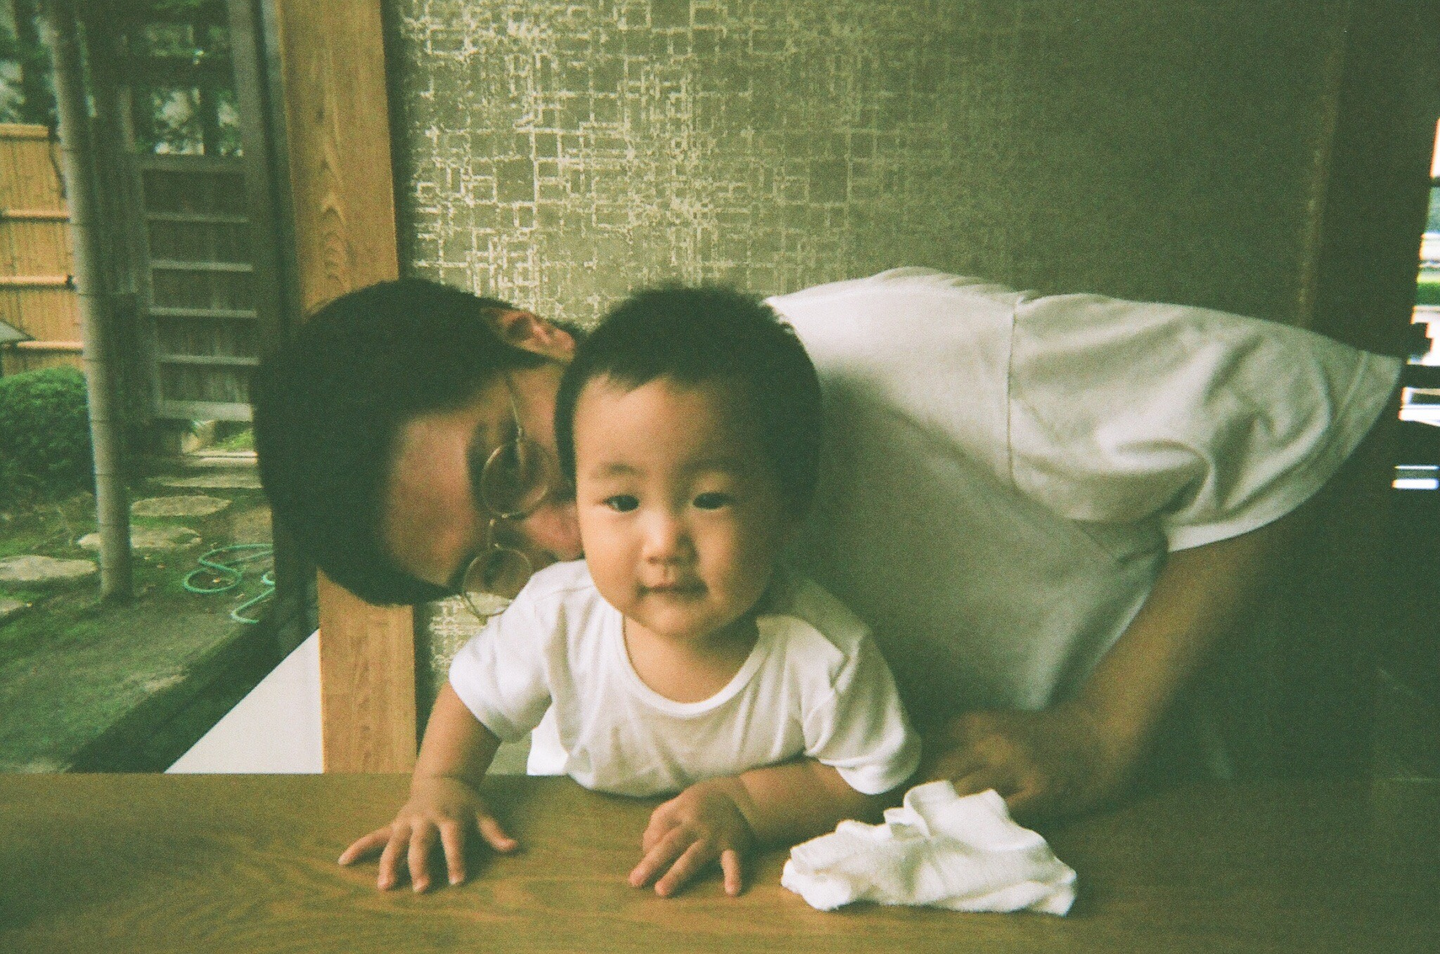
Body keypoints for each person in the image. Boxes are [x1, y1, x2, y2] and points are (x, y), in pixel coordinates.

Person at [252, 267, 1401, 825]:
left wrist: (1104, 727)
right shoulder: (577, 629)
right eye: (492, 564)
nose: (562, 541)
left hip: (1178, 825)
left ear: (531, 335)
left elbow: (1298, 409)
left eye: (510, 467)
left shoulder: (888, 355)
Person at [332, 287, 920, 896]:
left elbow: (870, 775)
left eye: (709, 499)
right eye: (620, 501)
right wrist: (441, 786)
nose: (662, 543)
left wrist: (746, 803)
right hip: (577, 873)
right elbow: (475, 695)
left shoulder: (827, 657)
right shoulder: (558, 614)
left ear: (790, 505)